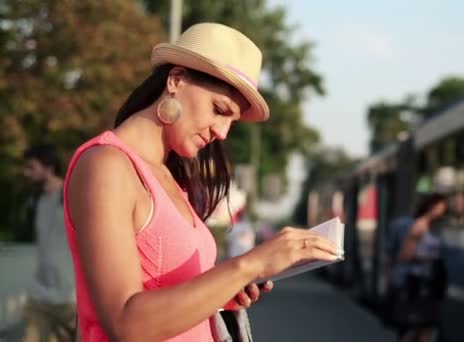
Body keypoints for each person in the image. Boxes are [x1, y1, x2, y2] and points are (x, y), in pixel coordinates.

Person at [63, 23, 341, 342]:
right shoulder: (107, 166)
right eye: (219, 110)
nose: (222, 133)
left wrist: (220, 292)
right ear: (176, 80)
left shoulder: (169, 177)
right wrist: (249, 265)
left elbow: (162, 294)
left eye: (231, 121)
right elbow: (126, 323)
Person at [22, 144, 76, 342]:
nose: (26, 172)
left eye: (31, 167)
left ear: (48, 167)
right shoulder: (35, 200)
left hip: (71, 299)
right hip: (40, 297)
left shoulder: (73, 194)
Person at [395, 193, 448, 342]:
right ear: (430, 208)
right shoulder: (419, 226)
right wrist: (430, 259)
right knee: (417, 326)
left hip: (430, 282)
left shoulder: (434, 228)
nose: (442, 213)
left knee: (427, 327)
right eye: (440, 209)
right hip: (418, 282)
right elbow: (404, 256)